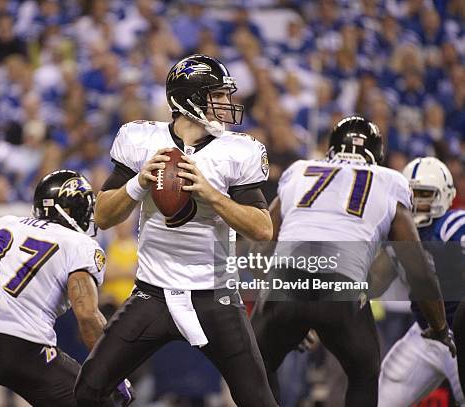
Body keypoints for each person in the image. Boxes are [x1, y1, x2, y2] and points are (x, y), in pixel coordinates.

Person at [74, 54, 277, 407]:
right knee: (88, 388)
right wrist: (138, 184)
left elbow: (263, 229)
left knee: (258, 401)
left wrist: (212, 195)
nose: (228, 103)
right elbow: (103, 217)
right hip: (153, 294)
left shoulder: (236, 151)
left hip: (215, 296)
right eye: (218, 95)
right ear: (191, 99)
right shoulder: (141, 141)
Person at [250, 116, 454, 407]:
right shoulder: (389, 181)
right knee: (364, 374)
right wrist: (439, 326)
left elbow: (260, 245)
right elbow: (417, 269)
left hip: (286, 282)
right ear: (376, 154)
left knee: (255, 366)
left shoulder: (300, 170)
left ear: (332, 149)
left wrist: (279, 300)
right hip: (341, 288)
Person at [0, 170, 133, 407]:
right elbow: (87, 316)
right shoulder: (79, 244)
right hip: (27, 347)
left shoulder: (4, 225)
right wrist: (114, 372)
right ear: (69, 208)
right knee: (99, 401)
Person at [376, 157, 464, 405]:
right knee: (383, 396)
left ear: (445, 195)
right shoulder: (399, 234)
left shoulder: (452, 226)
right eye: (412, 194)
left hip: (460, 336)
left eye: (425, 194)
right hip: (426, 333)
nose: (417, 203)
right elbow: (374, 282)